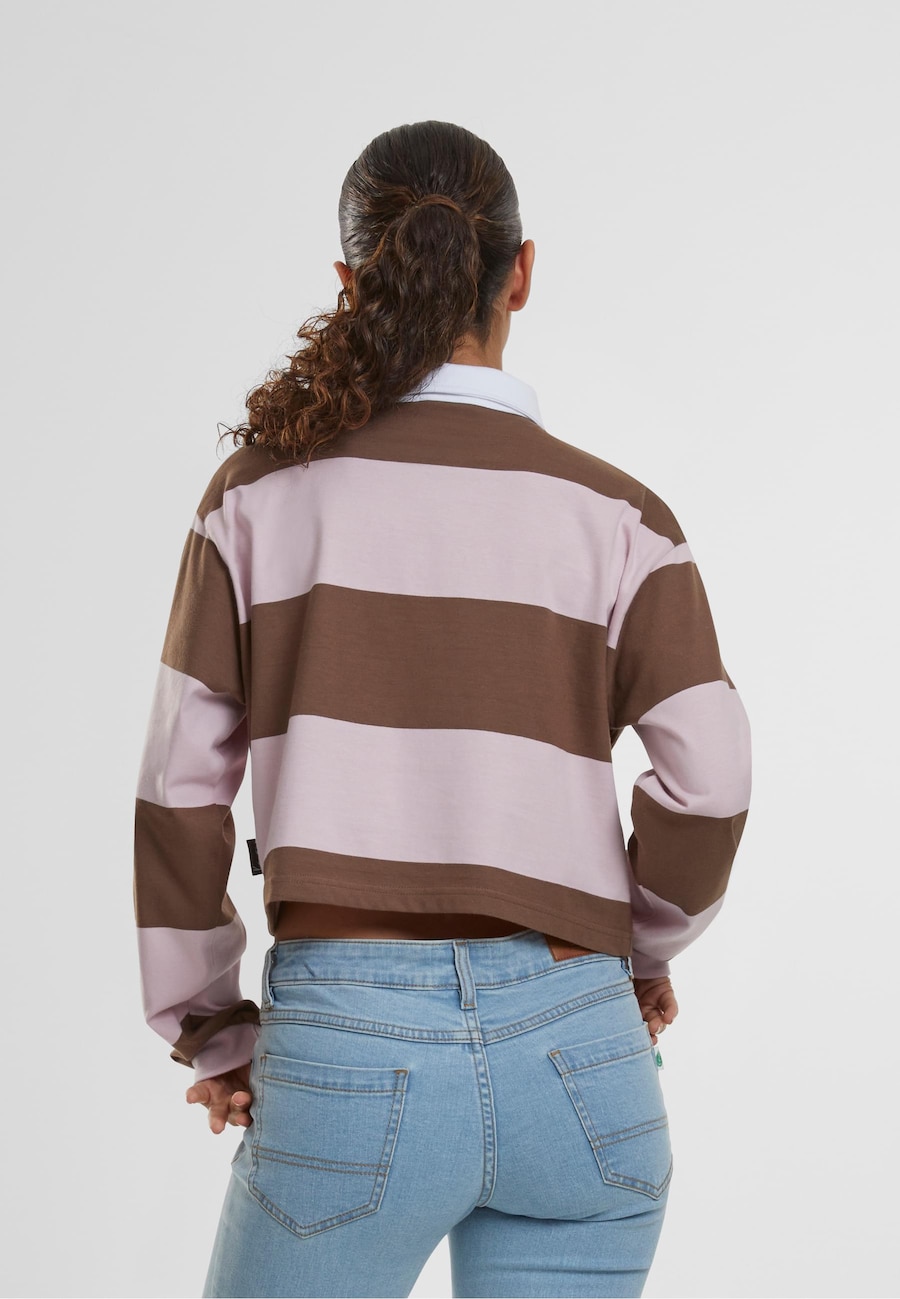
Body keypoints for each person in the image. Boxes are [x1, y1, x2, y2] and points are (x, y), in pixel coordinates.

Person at [133, 119, 751, 1298]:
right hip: (585, 1063)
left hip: (351, 1053)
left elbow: (179, 791)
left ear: (351, 280)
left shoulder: (257, 498)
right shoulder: (620, 518)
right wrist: (632, 950)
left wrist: (210, 1027)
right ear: (521, 273)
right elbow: (711, 783)